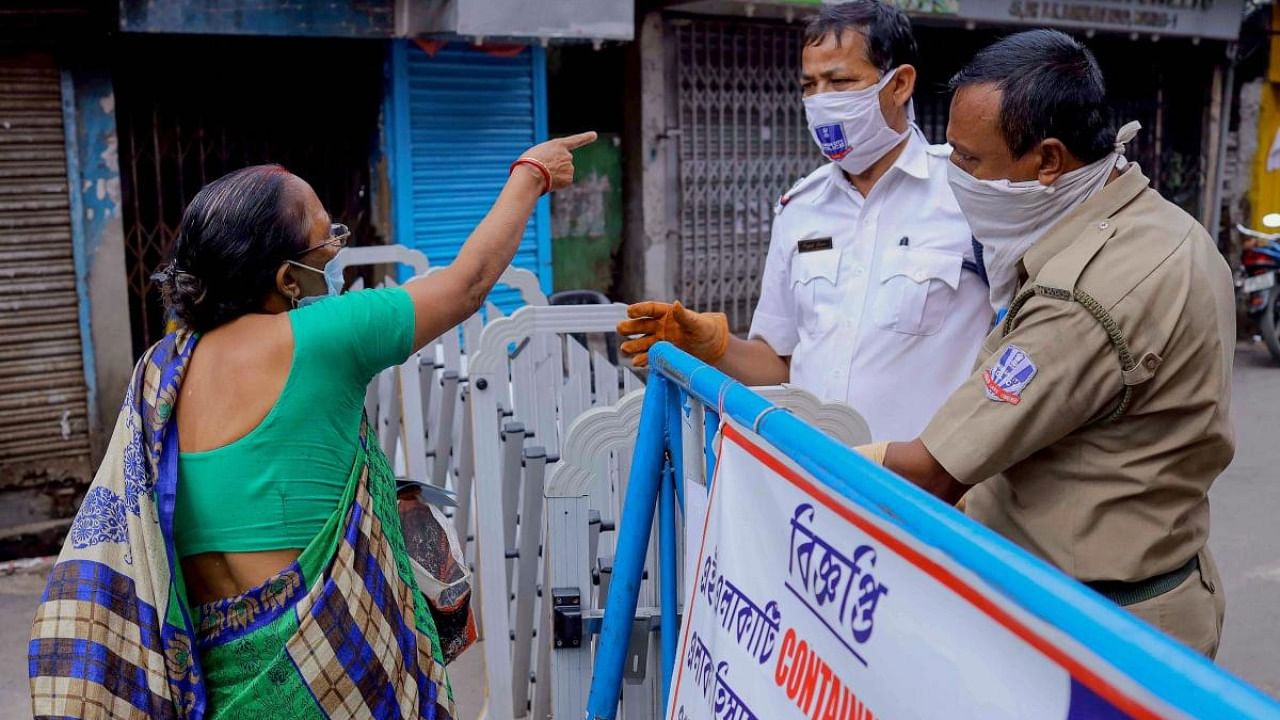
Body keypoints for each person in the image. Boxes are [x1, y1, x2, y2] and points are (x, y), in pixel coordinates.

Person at [29, 132, 596, 718]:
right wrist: (532, 173)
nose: (336, 249)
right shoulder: (327, 336)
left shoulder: (160, 370)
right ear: (287, 279)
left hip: (218, 687)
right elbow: (470, 281)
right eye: (327, 239)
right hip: (331, 683)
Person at [857, 30, 1233, 657]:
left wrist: (783, 455)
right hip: (1152, 588)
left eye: (971, 160)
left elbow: (933, 474)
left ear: (1049, 160)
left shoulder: (1084, 298)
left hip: (1098, 628)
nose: (956, 174)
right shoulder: (1157, 223)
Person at [617, 0, 992, 442]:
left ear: (900, 84)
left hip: (923, 498)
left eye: (840, 81)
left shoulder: (970, 189)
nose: (821, 100)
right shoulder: (800, 207)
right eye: (809, 85)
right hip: (812, 484)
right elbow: (779, 365)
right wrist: (715, 347)